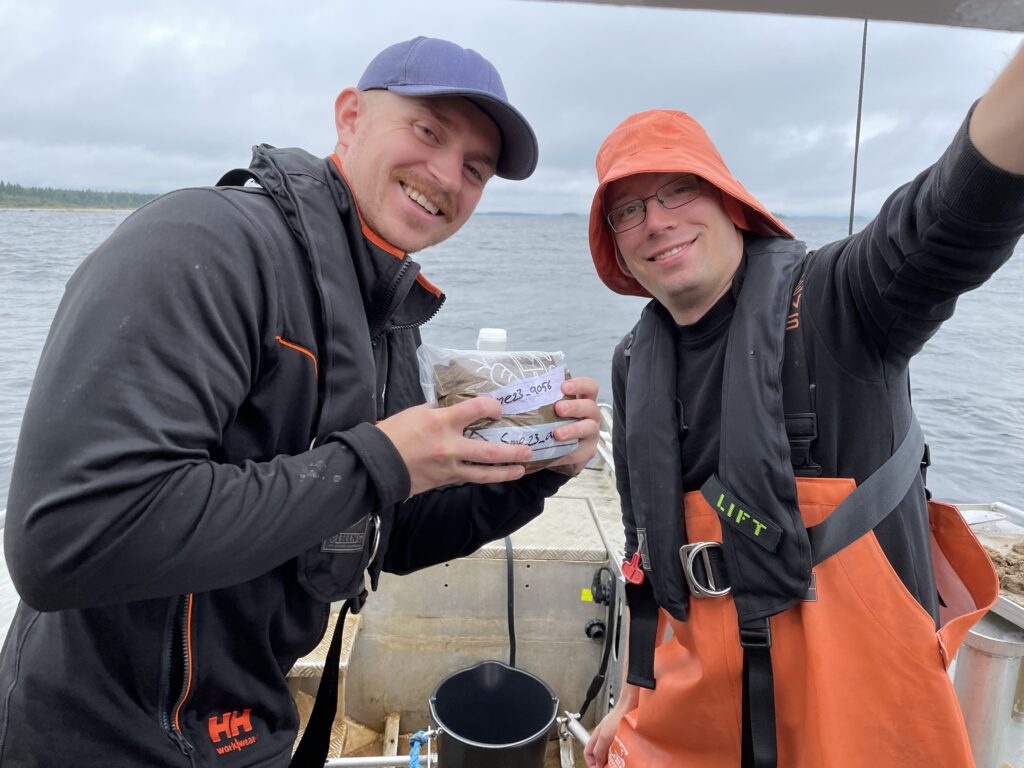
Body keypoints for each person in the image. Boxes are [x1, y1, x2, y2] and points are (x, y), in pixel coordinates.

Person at [0, 37, 600, 767]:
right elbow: (69, 537)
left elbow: (389, 531)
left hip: (244, 724)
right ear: (350, 117)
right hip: (109, 737)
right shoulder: (208, 242)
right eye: (428, 131)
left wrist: (538, 468)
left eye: (476, 169)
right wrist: (381, 458)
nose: (447, 175)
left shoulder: (383, 319)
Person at [583, 44, 1024, 768]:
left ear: (730, 202)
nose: (655, 222)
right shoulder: (635, 362)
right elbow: (643, 557)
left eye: (677, 192)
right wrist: (633, 697)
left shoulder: (843, 301)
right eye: (628, 209)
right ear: (617, 248)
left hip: (857, 705)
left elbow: (955, 210)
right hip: (699, 702)